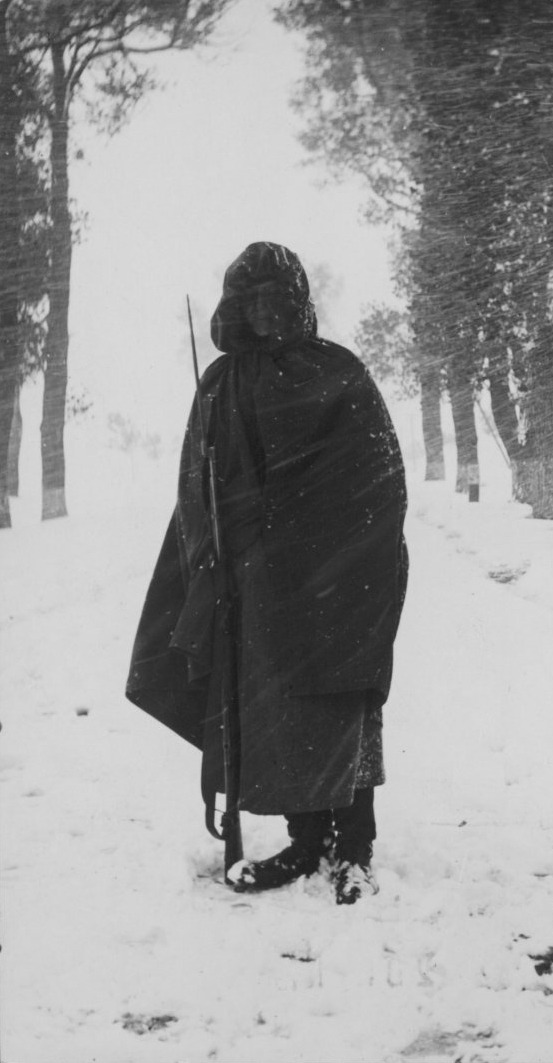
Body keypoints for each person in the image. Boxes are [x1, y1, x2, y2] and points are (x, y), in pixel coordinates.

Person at [127, 241, 409, 905]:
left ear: (294, 299)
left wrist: (322, 549)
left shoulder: (334, 372)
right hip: (254, 590)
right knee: (275, 717)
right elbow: (195, 487)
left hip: (333, 584)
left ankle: (354, 850)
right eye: (244, 293)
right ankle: (305, 841)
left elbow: (377, 480)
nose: (257, 307)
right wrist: (214, 558)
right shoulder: (220, 383)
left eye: (269, 294)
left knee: (339, 705)